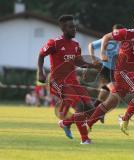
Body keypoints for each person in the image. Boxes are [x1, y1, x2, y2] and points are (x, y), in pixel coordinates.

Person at [85, 10, 134, 135]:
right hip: (122, 72)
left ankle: (88, 123)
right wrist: (103, 53)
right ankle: (124, 119)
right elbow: (106, 37)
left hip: (131, 73)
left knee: (111, 102)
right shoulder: (126, 33)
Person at [37, 15, 100, 144]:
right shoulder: (54, 43)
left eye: (75, 26)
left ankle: (66, 123)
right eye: (71, 27)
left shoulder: (76, 45)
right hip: (58, 82)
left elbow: (78, 61)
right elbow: (41, 55)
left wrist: (93, 66)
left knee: (90, 109)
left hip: (73, 81)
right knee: (80, 106)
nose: (75, 29)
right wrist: (41, 72)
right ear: (64, 29)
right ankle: (85, 139)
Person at [88, 24, 124, 123]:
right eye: (116, 33)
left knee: (105, 92)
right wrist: (93, 58)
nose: (117, 35)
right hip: (105, 69)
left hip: (115, 71)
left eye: (119, 33)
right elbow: (91, 45)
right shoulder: (107, 40)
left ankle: (93, 112)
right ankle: (99, 113)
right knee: (115, 93)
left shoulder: (123, 43)